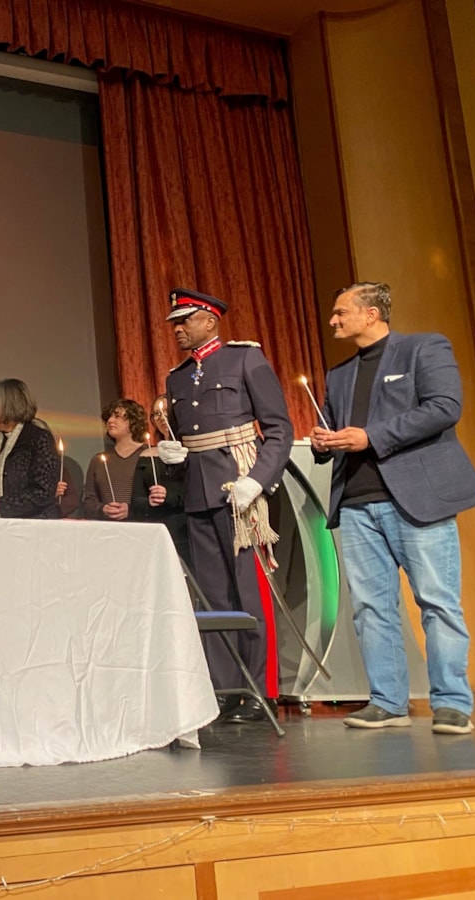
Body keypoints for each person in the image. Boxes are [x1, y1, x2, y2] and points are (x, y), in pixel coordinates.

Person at [311, 282, 475, 734]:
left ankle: (451, 703)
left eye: (340, 312)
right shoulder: (338, 375)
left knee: (437, 601)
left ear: (371, 314)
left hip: (416, 498)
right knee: (371, 607)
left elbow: (445, 408)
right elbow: (336, 432)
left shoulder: (423, 348)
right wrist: (323, 441)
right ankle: (388, 702)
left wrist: (372, 436)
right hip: (355, 504)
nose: (333, 320)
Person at [158, 288, 293, 723]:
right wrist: (173, 455)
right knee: (213, 598)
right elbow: (185, 433)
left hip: (241, 488)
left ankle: (261, 690)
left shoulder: (244, 359)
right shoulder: (176, 378)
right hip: (199, 493)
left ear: (211, 320)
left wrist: (258, 480)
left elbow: (279, 429)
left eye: (185, 320)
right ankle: (225, 688)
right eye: (174, 323)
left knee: (249, 591)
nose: (177, 329)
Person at [0, 379, 59, 519]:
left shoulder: (37, 438)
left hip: (33, 525)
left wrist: (0, 505)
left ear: (9, 405)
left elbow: (43, 491)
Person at [129, 395, 191, 567]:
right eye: (157, 414)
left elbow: (198, 492)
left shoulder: (192, 450)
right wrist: (149, 501)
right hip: (158, 532)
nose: (162, 418)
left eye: (165, 412)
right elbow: (135, 501)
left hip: (188, 530)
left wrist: (168, 495)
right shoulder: (147, 455)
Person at [82, 399, 148, 522]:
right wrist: (102, 509)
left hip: (143, 528)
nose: (110, 420)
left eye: (117, 416)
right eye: (109, 417)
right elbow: (88, 502)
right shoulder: (99, 461)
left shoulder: (149, 455)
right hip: (109, 531)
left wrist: (131, 510)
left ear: (133, 421)